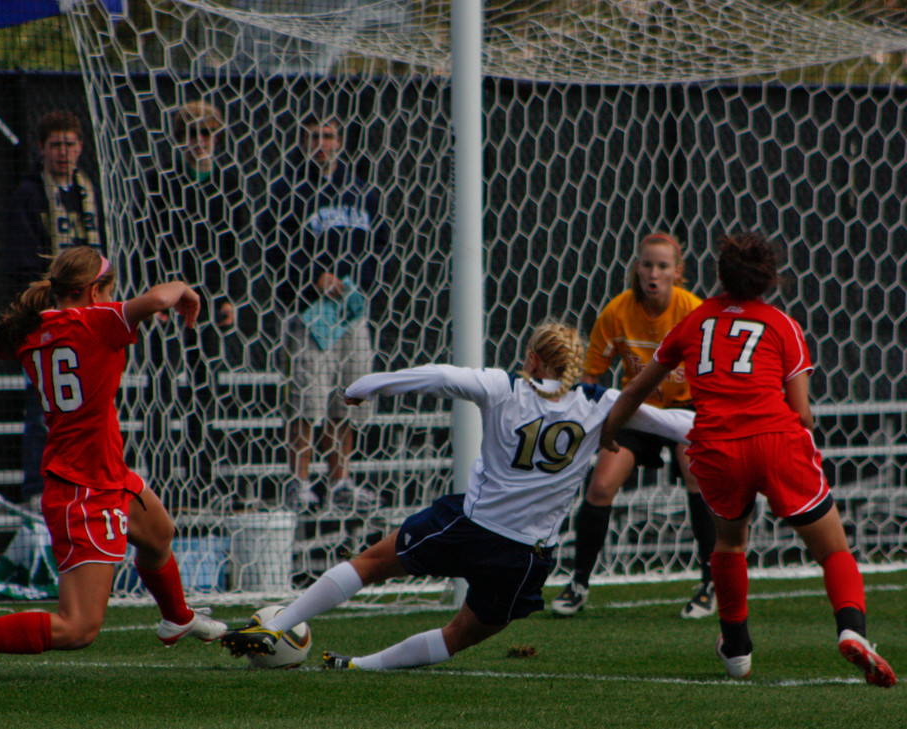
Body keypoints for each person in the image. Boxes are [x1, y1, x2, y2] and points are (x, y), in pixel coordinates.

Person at [220, 321, 694, 670]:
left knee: (369, 564)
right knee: (461, 635)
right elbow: (680, 424)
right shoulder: (601, 403)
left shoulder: (506, 386)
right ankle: (360, 666)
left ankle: (279, 624)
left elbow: (439, 375)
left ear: (532, 359)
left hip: (471, 528)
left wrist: (367, 385)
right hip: (528, 556)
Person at [0, 247, 229, 684]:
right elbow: (161, 298)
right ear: (93, 290)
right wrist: (184, 288)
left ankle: (177, 617)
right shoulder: (101, 319)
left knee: (159, 532)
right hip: (82, 488)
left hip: (103, 472)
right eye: (109, 287)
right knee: (78, 628)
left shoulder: (31, 329)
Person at [598, 232, 896, 687]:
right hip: (775, 442)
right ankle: (852, 630)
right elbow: (801, 414)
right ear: (769, 279)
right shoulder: (782, 325)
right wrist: (800, 447)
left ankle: (736, 651)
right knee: (833, 548)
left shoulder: (694, 321)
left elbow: (638, 388)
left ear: (719, 274)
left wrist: (610, 428)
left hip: (718, 448)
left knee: (731, 544)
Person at [551, 232, 717, 620]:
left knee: (698, 477)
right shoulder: (617, 312)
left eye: (662, 266)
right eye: (647, 264)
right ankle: (578, 583)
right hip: (637, 411)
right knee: (601, 485)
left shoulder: (694, 311)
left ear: (678, 273)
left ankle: (711, 584)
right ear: (636, 268)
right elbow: (592, 377)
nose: (653, 273)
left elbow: (713, 372)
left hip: (687, 410)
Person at [258, 113, 389, 512]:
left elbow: (381, 244)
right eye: (314, 135)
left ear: (340, 141)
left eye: (329, 136)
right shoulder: (286, 188)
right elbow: (274, 242)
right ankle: (298, 482)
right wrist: (314, 276)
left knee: (347, 397)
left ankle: (340, 481)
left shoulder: (361, 191)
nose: (322, 143)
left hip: (350, 313)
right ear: (301, 140)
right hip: (308, 313)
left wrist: (355, 284)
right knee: (305, 400)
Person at [6, 110, 107, 506]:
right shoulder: (30, 195)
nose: (63, 152)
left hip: (89, 317)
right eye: (55, 145)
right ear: (41, 149)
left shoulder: (89, 192)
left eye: (69, 144)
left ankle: (82, 478)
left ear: (80, 147)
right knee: (42, 403)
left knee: (88, 401)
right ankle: (36, 486)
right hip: (49, 315)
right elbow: (22, 261)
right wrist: (52, 299)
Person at [148, 100, 250, 332]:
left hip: (210, 293)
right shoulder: (160, 181)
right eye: (192, 134)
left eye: (207, 133)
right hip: (168, 292)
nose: (199, 141)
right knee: (164, 361)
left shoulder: (229, 184)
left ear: (218, 138)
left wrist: (229, 297)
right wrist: (152, 294)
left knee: (205, 363)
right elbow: (148, 241)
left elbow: (233, 245)